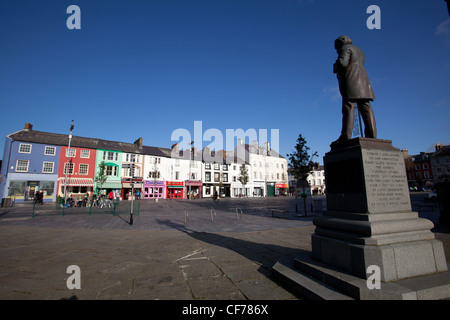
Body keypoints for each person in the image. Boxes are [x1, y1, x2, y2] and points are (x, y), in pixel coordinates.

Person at [332, 35, 377, 145]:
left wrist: (335, 65)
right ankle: (372, 136)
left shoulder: (345, 48)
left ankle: (345, 136)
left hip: (351, 80)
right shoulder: (359, 50)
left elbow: (343, 63)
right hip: (363, 82)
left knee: (348, 107)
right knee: (366, 107)